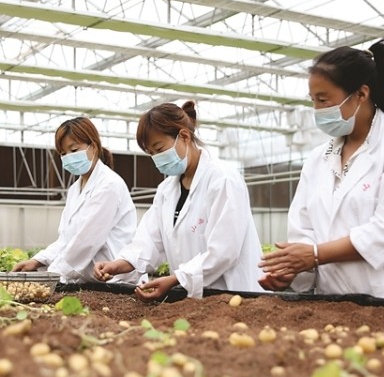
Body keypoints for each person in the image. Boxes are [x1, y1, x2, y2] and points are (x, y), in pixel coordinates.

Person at [258, 40, 384, 301]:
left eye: (324, 100)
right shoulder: (316, 160)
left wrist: (314, 254)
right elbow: (304, 232)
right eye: (313, 101)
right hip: (334, 304)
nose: (317, 110)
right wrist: (292, 270)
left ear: (361, 94)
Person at [93, 101, 266, 300]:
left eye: (159, 149)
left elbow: (224, 251)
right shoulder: (166, 191)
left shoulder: (223, 178)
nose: (156, 158)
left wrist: (176, 279)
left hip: (235, 294)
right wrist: (118, 264)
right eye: (151, 153)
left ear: (184, 136)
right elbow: (148, 241)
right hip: (196, 301)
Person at [12, 117, 140, 284]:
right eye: (63, 153)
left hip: (116, 280)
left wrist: (51, 275)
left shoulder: (109, 185)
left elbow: (86, 241)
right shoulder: (74, 189)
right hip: (90, 281)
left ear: (93, 147)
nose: (68, 157)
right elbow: (66, 239)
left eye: (74, 150)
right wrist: (37, 261)